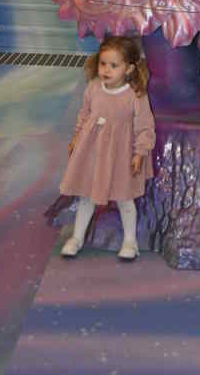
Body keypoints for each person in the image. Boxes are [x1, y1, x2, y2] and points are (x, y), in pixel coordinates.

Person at [59, 36, 155, 261]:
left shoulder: (135, 95)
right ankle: (77, 237)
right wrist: (76, 137)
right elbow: (84, 114)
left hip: (121, 154)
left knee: (125, 198)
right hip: (92, 152)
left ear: (129, 69)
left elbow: (145, 126)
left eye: (114, 65)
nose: (106, 70)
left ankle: (130, 241)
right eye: (103, 64)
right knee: (86, 196)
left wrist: (140, 153)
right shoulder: (94, 87)